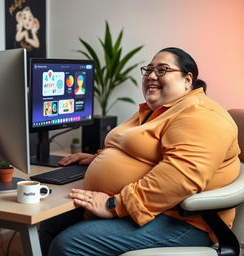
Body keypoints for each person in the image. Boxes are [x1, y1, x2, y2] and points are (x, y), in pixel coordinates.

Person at [40, 47, 240, 256]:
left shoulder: (200, 114)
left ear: (187, 80)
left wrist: (112, 205)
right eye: (148, 70)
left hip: (183, 221)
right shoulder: (159, 110)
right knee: (50, 225)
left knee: (68, 245)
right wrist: (99, 159)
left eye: (162, 70)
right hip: (155, 210)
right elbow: (139, 149)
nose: (152, 75)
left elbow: (180, 178)